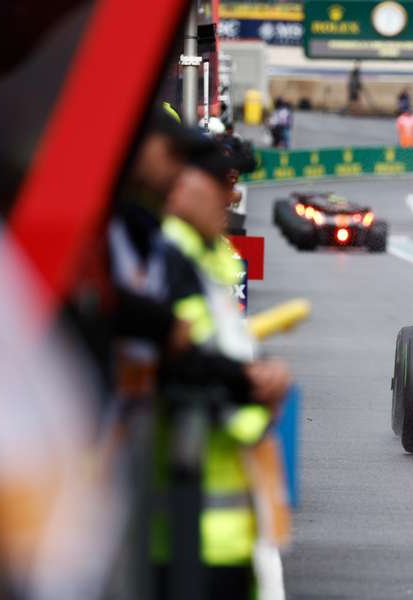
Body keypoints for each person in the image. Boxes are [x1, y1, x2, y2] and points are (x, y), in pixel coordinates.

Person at [155, 143, 290, 600]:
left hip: (221, 524)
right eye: (221, 184)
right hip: (185, 523)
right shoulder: (170, 257)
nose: (231, 199)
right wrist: (252, 385)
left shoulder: (209, 257)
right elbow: (187, 360)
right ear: (181, 183)